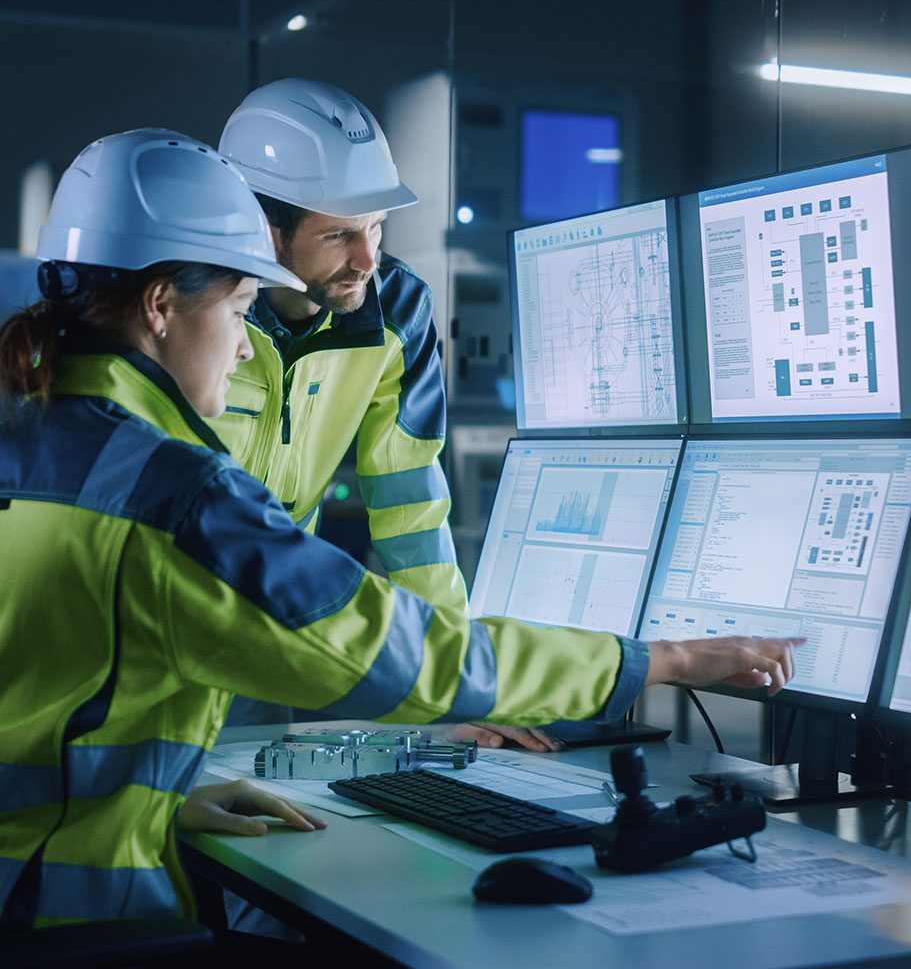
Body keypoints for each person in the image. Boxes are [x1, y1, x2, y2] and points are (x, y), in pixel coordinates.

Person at [0, 129, 801, 930]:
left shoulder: (28, 439)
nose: (245, 344)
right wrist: (663, 659)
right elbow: (394, 650)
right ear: (161, 305)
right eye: (240, 307)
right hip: (67, 917)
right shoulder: (173, 495)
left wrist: (158, 800)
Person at [216, 78, 551, 749]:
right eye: (340, 234)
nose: (367, 259)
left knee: (239, 820)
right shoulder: (196, 308)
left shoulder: (396, 311)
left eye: (376, 227)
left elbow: (410, 510)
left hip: (260, 635)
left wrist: (454, 685)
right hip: (151, 620)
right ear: (262, 228)